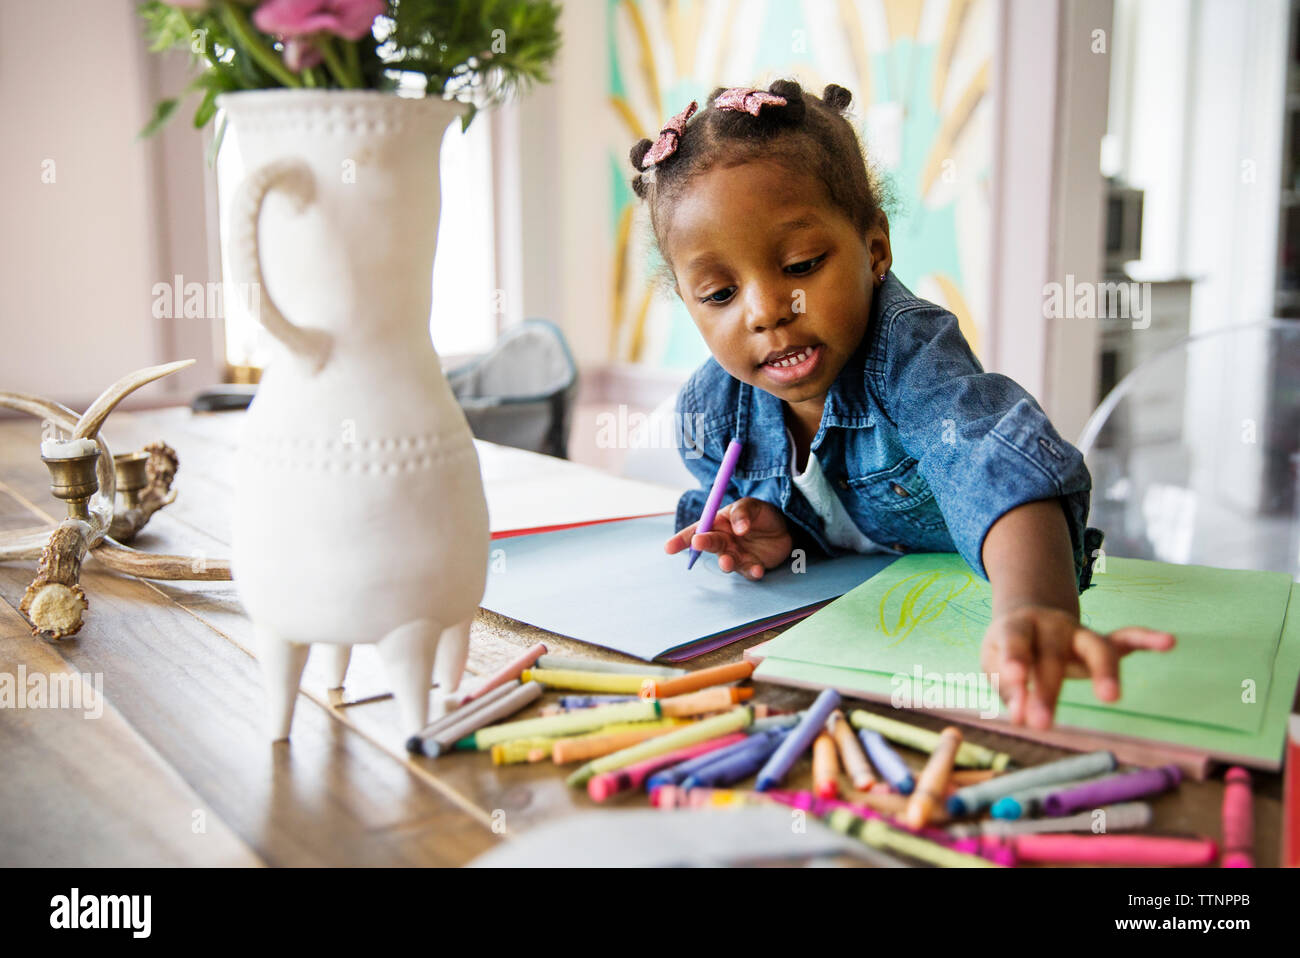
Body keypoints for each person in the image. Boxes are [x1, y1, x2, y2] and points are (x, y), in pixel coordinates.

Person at [631, 80, 1174, 729]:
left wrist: (1037, 608)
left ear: (874, 248)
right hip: (827, 676)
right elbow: (817, 532)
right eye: (719, 293)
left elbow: (990, 460)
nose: (767, 310)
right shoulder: (714, 417)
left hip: (956, 662)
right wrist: (779, 535)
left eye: (802, 265)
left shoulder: (909, 356)